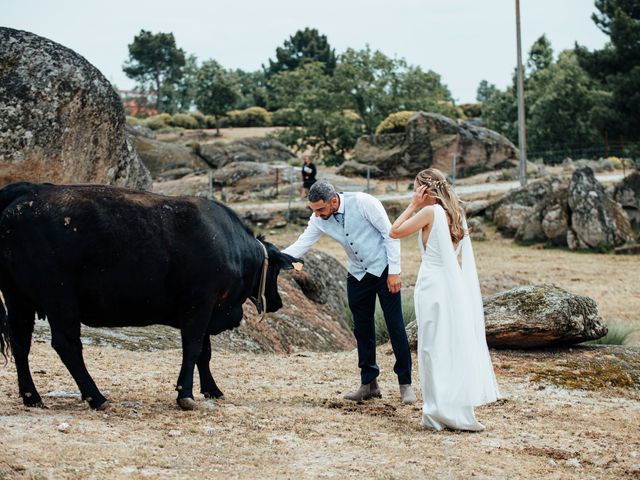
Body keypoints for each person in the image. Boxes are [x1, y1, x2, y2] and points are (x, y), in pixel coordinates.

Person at [283, 181, 416, 404]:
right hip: (357, 275)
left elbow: (390, 234)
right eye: (313, 210)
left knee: (395, 326)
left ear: (333, 201)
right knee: (362, 328)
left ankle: (405, 384)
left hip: (383, 270)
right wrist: (273, 257)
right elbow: (301, 245)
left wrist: (395, 271)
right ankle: (369, 384)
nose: (317, 214)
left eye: (321, 209)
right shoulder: (318, 218)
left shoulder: (364, 203)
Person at [389, 167, 500, 431]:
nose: (415, 193)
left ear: (425, 190)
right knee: (450, 346)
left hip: (432, 286)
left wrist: (413, 204)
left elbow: (394, 231)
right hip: (453, 287)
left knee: (432, 348)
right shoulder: (457, 214)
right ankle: (455, 408)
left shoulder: (430, 212)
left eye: (416, 188)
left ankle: (437, 412)